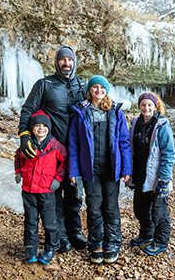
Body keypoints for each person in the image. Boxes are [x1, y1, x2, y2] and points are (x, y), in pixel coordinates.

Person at [18, 45, 87, 252]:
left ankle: (75, 232)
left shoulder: (82, 85)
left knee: (74, 192)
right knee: (54, 195)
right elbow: (28, 110)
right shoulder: (45, 84)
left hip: (75, 150)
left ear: (74, 63)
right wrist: (24, 135)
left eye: (70, 60)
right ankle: (61, 236)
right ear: (57, 62)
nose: (66, 64)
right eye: (63, 60)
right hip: (51, 151)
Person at [68, 75, 132, 264]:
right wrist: (74, 171)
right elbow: (73, 144)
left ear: (106, 90)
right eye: (95, 87)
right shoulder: (80, 112)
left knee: (111, 207)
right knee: (94, 207)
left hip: (112, 169)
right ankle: (96, 242)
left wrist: (126, 168)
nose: (98, 90)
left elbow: (124, 142)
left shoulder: (115, 111)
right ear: (89, 90)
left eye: (102, 88)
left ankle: (112, 242)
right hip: (90, 171)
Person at [14, 110, 67, 264]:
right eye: (37, 125)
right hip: (29, 189)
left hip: (47, 190)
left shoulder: (54, 145)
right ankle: (31, 247)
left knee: (50, 221)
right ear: (32, 128)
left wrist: (58, 177)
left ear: (49, 128)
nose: (41, 128)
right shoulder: (28, 144)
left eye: (44, 126)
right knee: (30, 220)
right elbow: (18, 156)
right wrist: (18, 171)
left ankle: (51, 247)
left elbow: (66, 160)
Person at [128, 92, 175, 256]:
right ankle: (146, 233)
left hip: (157, 177)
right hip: (140, 174)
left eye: (149, 105)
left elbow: (169, 154)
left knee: (159, 211)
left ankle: (161, 240)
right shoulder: (135, 124)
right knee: (139, 208)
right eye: (143, 105)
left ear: (155, 106)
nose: (146, 108)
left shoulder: (162, 126)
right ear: (139, 106)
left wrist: (164, 180)